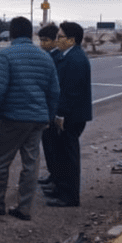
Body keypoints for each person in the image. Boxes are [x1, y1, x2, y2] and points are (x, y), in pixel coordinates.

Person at [0, 17, 59, 221]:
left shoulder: (5, 56)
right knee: (31, 164)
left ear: (11, 34)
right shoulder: (45, 57)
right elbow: (54, 91)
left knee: (0, 162)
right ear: (30, 34)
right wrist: (49, 116)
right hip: (37, 119)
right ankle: (24, 208)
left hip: (13, 118)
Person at [43, 22, 92, 207]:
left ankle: (70, 196)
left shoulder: (76, 60)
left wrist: (61, 115)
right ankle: (61, 188)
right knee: (61, 154)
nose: (57, 40)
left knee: (68, 156)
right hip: (69, 114)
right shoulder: (67, 55)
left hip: (72, 116)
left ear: (71, 40)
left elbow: (70, 91)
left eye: (60, 37)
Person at [36, 24, 61, 187]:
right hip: (45, 109)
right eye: (41, 40)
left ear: (54, 41)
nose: (42, 44)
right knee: (48, 146)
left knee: (55, 147)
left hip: (53, 111)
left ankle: (57, 177)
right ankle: (53, 175)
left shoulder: (57, 58)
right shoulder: (46, 56)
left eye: (45, 40)